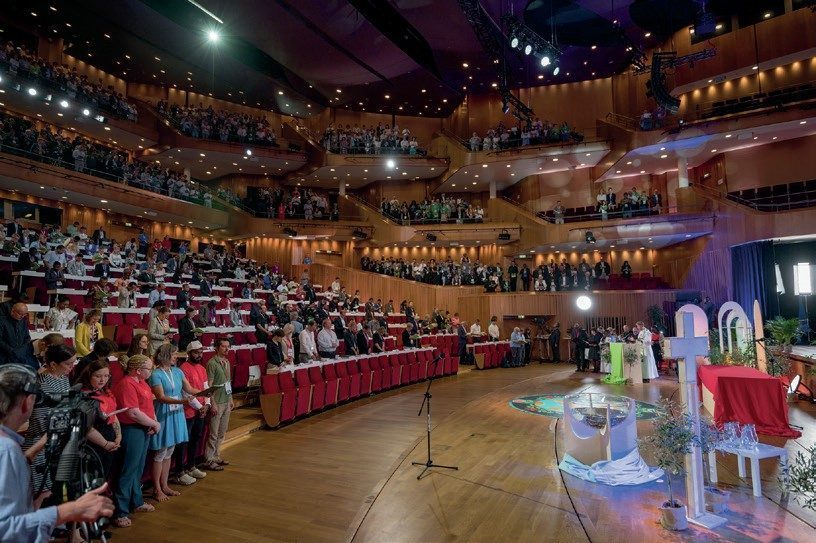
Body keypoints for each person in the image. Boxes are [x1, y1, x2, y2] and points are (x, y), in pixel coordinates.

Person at [0, 364, 115, 542]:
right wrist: (69, 510)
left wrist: (35, 449)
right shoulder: (6, 450)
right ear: (28, 402)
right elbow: (5, 529)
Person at [111, 354, 161, 527]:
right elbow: (132, 412)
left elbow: (147, 406)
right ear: (138, 370)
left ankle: (136, 501)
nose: (151, 371)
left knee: (138, 468)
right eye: (149, 368)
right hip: (132, 430)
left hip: (143, 428)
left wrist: (153, 422)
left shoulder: (142, 382)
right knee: (128, 470)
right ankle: (120, 511)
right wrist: (154, 423)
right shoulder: (127, 384)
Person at [148, 344, 202, 500]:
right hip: (164, 413)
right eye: (174, 354)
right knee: (160, 452)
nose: (176, 357)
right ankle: (157, 489)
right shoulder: (156, 374)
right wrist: (184, 401)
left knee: (170, 450)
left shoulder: (178, 371)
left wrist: (206, 392)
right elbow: (160, 397)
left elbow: (190, 389)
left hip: (177, 412)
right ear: (165, 355)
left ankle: (165, 486)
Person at [172, 341, 211, 485]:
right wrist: (199, 406)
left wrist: (206, 404)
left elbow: (206, 388)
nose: (199, 355)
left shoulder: (202, 368)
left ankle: (191, 465)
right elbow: (185, 392)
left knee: (196, 438)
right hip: (189, 410)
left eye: (201, 352)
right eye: (196, 352)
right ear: (188, 353)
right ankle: (180, 471)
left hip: (200, 409)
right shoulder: (183, 368)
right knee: (184, 441)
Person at [78, 358, 122, 478]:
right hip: (94, 442)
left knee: (105, 476)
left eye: (106, 376)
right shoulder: (84, 395)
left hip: (110, 437)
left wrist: (118, 435)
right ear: (89, 375)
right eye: (98, 376)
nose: (103, 380)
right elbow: (86, 427)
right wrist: (105, 444)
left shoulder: (105, 391)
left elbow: (113, 414)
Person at [204, 339, 233, 471]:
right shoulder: (212, 363)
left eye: (228, 346)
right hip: (217, 402)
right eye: (224, 346)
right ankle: (209, 459)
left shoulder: (227, 362)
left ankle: (216, 456)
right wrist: (212, 403)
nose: (227, 349)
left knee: (222, 432)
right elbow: (209, 385)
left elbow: (228, 382)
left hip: (226, 400)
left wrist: (231, 398)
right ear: (217, 348)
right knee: (213, 433)